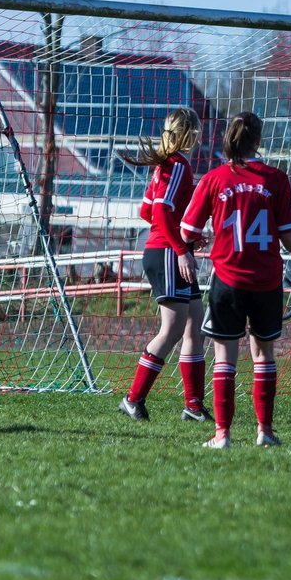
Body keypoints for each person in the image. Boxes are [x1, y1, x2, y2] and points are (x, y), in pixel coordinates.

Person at [180, 112, 291, 448]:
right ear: (258, 140)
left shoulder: (214, 179)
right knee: (263, 355)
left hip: (228, 280)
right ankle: (264, 432)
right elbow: (286, 233)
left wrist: (197, 243)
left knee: (225, 357)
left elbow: (187, 230)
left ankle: (222, 434)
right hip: (267, 281)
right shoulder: (276, 179)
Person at [119, 108, 210, 424]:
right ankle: (133, 399)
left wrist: (188, 238)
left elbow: (148, 211)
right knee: (172, 329)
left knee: (194, 323)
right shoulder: (178, 165)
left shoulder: (164, 166)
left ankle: (194, 406)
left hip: (170, 250)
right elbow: (159, 212)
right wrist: (179, 248)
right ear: (191, 134)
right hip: (167, 254)